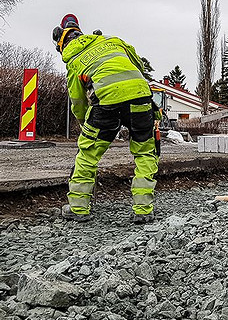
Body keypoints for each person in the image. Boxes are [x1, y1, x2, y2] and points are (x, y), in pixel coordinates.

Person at [52, 14, 160, 223]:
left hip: (106, 103)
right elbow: (137, 64)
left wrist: (85, 122)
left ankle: (79, 208)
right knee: (146, 152)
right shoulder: (111, 40)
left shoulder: (74, 61)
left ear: (62, 44)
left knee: (88, 154)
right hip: (140, 96)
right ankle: (143, 210)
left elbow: (78, 100)